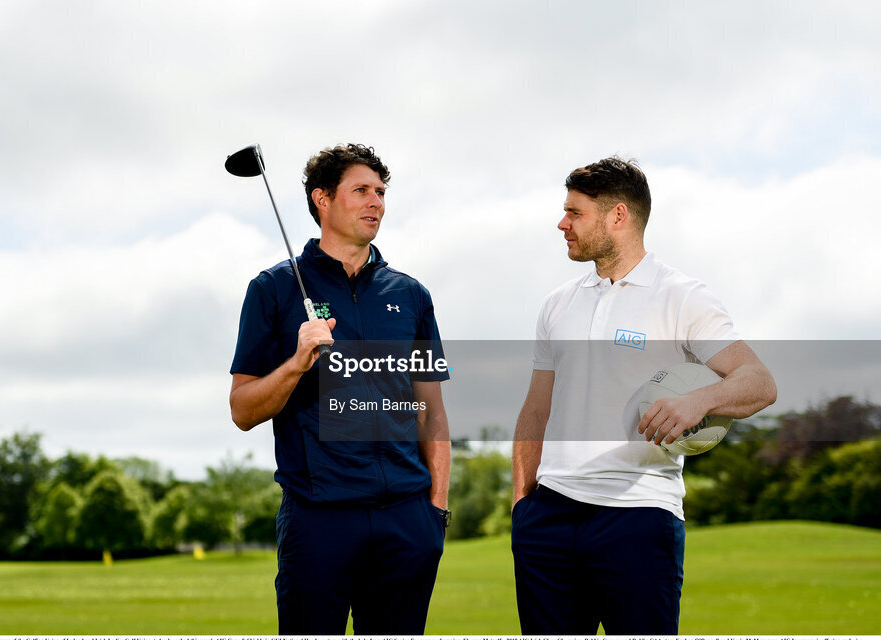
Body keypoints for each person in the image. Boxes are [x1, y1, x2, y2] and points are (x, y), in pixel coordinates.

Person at [511, 156, 777, 635]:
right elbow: (535, 409)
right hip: (548, 519)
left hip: (639, 518)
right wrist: (521, 505)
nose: (562, 223)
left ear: (618, 216)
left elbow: (759, 382)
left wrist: (699, 400)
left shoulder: (683, 296)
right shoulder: (557, 304)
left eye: (574, 213)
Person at [229, 143, 451, 635]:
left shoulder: (411, 294)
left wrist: (436, 510)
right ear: (323, 199)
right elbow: (242, 409)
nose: (376, 202)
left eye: (381, 192)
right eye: (361, 191)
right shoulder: (273, 289)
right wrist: (295, 365)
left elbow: (432, 411)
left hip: (406, 520)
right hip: (318, 521)